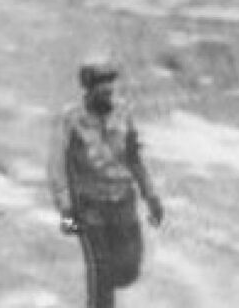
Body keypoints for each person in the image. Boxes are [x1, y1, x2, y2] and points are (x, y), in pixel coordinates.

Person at [49, 58, 165, 308]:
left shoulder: (123, 115)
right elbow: (57, 168)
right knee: (101, 270)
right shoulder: (71, 121)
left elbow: (135, 159)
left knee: (127, 270)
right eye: (103, 89)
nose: (109, 94)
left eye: (111, 88)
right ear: (89, 91)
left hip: (123, 202)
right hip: (90, 208)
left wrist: (151, 195)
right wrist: (66, 209)